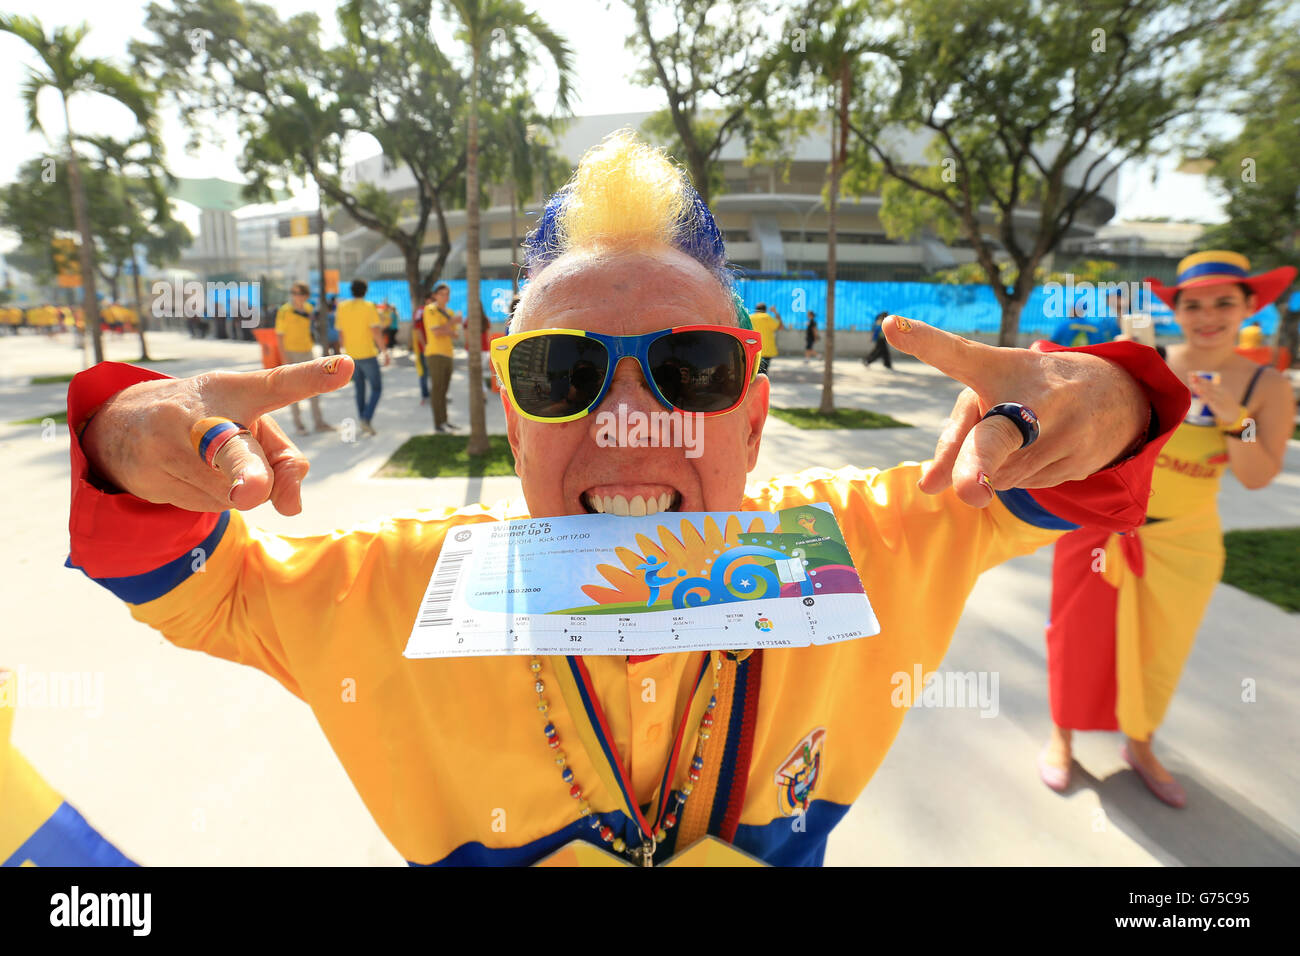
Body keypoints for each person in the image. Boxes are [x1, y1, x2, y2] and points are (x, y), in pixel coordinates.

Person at [64, 131, 1182, 867]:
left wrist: (1114, 394)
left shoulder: (877, 540)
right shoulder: (390, 593)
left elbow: (1092, 474)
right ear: (511, 411)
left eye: (691, 369)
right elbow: (186, 584)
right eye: (564, 372)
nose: (621, 416)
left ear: (750, 411)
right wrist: (127, 434)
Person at [1036, 251, 1296, 808]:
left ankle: (1141, 744)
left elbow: (1255, 476)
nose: (1208, 315)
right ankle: (1062, 736)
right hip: (1103, 530)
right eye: (1192, 303)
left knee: (1160, 652)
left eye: (1225, 302)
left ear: (1251, 306)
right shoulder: (1145, 361)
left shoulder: (1267, 386)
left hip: (1186, 541)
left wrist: (1235, 420)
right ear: (1175, 309)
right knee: (1075, 639)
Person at [274, 282, 332, 436]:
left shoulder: (308, 309)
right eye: (292, 292)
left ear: (305, 295)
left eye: (298, 293)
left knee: (314, 387)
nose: (295, 296)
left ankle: (319, 422)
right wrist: (284, 358)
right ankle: (299, 425)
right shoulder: (284, 311)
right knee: (294, 390)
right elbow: (279, 336)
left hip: (307, 351)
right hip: (291, 353)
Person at [335, 279, 389, 437]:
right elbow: (375, 331)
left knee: (359, 389)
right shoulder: (368, 307)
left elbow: (340, 333)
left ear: (352, 290)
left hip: (351, 355)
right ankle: (366, 418)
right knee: (377, 388)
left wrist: (342, 353)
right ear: (365, 291)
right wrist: (384, 351)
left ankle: (362, 419)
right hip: (367, 354)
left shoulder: (342, 307)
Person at [423, 283, 458, 433]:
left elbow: (454, 335)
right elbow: (437, 332)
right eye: (442, 294)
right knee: (437, 390)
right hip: (435, 354)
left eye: (447, 294)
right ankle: (438, 424)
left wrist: (446, 328)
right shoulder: (430, 309)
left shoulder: (449, 311)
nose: (445, 297)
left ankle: (445, 421)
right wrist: (450, 325)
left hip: (448, 353)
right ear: (435, 295)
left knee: (444, 391)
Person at [748, 303, 782, 377]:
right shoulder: (767, 317)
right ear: (765, 310)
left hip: (753, 349)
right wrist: (775, 312)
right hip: (766, 350)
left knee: (753, 372)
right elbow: (780, 327)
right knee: (763, 373)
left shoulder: (750, 317)